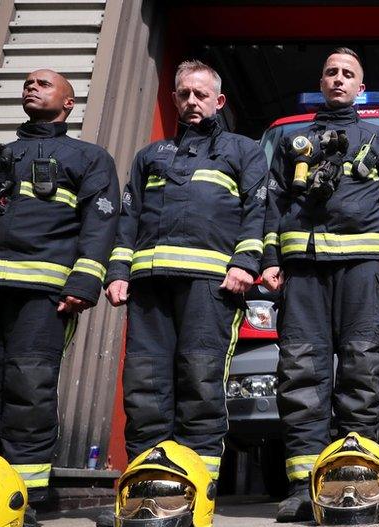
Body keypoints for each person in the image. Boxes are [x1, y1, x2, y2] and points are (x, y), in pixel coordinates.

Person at [0, 68, 120, 527]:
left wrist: (83, 283)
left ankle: (22, 495)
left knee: (29, 390)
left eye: (45, 83)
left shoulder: (89, 158)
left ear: (69, 103)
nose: (32, 87)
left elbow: (100, 223)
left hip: (41, 293)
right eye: (29, 82)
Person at [261, 47, 379, 522]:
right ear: (321, 82)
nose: (339, 79)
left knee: (360, 370)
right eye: (332, 72)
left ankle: (357, 477)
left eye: (349, 73)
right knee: (301, 373)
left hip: (365, 268)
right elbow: (274, 203)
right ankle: (303, 485)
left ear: (360, 88)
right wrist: (270, 258)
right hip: (303, 269)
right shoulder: (291, 139)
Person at [104, 58, 266, 493]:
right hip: (149, 285)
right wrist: (118, 271)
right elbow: (127, 218)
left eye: (200, 94)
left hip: (210, 287)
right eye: (184, 94)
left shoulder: (243, 150)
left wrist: (245, 263)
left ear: (219, 100)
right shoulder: (149, 156)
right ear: (174, 99)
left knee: (200, 378)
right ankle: (143, 484)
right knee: (145, 382)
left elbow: (258, 210)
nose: (192, 101)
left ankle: (198, 484)